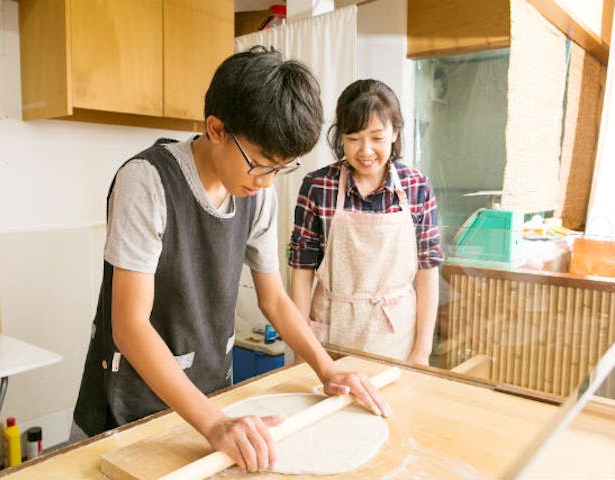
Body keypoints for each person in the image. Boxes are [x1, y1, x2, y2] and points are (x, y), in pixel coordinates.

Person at [72, 47, 391, 473]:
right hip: (130, 407)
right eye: (260, 165)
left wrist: (327, 368)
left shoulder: (256, 194)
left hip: (210, 402)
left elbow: (274, 299)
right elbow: (129, 326)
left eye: (281, 168)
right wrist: (216, 423)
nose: (266, 182)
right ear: (217, 129)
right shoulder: (147, 182)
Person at [289, 79, 444, 365]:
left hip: (397, 339)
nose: (365, 150)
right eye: (354, 138)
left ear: (395, 133)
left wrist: (421, 351)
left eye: (376, 137)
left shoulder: (416, 186)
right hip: (330, 338)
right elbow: (301, 271)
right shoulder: (317, 186)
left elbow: (427, 272)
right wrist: (302, 351)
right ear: (340, 137)